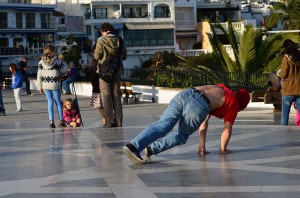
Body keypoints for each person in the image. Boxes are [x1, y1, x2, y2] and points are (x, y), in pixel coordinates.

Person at [123, 84, 250, 164]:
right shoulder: (233, 103)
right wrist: (223, 150)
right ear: (241, 105)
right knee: (181, 136)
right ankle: (152, 149)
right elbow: (227, 130)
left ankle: (133, 146)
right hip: (199, 105)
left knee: (163, 124)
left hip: (186, 93)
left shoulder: (222, 89)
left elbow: (204, 121)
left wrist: (202, 147)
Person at [94, 22, 127, 128]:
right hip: (117, 71)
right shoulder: (120, 40)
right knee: (117, 95)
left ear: (103, 31)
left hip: (104, 72)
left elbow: (96, 55)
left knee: (106, 95)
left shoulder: (100, 40)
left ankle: (109, 121)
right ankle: (119, 121)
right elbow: (125, 56)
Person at [37, 44, 67, 128]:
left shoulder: (40, 62)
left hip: (46, 85)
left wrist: (40, 86)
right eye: (55, 51)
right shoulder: (57, 61)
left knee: (50, 102)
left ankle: (51, 122)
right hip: (55, 84)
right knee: (58, 102)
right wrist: (63, 61)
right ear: (53, 52)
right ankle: (61, 120)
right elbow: (64, 70)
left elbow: (39, 75)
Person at [278, 39, 300, 126]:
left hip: (288, 90)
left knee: (285, 114)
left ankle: (284, 132)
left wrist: (279, 74)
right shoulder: (299, 57)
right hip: (299, 89)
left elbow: (283, 74)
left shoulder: (286, 58)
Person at [82, 58, 106, 125]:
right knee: (102, 106)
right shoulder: (99, 62)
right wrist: (86, 70)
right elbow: (91, 78)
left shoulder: (96, 63)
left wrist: (86, 70)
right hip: (100, 90)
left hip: (98, 90)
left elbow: (91, 78)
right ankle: (105, 119)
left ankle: (105, 119)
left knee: (101, 107)